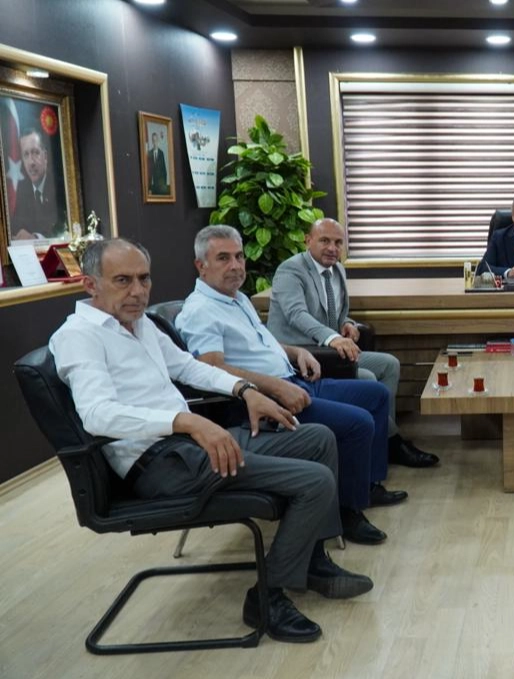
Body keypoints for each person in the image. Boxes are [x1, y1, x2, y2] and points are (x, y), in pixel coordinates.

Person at [50, 238, 373, 644]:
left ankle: (310, 560)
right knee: (315, 481)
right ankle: (267, 597)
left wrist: (245, 390)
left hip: (190, 446)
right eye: (123, 280)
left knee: (317, 438)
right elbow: (98, 414)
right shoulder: (79, 336)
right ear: (90, 284)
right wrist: (185, 422)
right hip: (161, 464)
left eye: (144, 279)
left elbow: (189, 367)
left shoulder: (139, 324)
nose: (137, 291)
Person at [176, 225, 405, 547]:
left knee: (376, 395)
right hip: (264, 402)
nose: (236, 265)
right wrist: (273, 386)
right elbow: (210, 368)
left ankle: (366, 486)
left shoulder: (237, 299)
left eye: (239, 257)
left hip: (294, 379)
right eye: (223, 258)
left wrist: (296, 352)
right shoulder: (200, 310)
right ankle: (347, 512)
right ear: (201, 265)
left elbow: (264, 343)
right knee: (358, 423)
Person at [267, 217, 439, 468]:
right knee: (367, 378)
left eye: (338, 243)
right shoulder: (290, 270)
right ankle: (392, 443)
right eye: (324, 241)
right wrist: (333, 337)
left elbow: (335, 313)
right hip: (300, 356)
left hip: (329, 351)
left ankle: (381, 443)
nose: (332, 248)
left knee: (389, 364)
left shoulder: (337, 270)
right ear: (308, 240)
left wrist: (347, 323)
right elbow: (296, 314)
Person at [13, 127, 62, 239]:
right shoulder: (22, 189)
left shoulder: (58, 187)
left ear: (45, 157)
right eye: (26, 155)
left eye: (35, 153)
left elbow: (62, 229)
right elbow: (16, 226)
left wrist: (36, 238)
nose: (31, 162)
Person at [147, 130, 169, 195]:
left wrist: (164, 186)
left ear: (158, 141)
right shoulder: (149, 153)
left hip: (161, 186)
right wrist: (149, 188)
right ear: (152, 141)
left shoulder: (161, 153)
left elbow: (164, 171)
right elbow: (148, 172)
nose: (155, 142)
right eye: (153, 140)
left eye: (156, 140)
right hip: (153, 186)